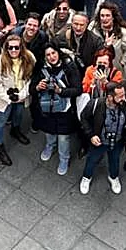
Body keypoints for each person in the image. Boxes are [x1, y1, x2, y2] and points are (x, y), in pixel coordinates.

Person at [30, 44, 78, 175]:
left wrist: (61, 91)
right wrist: (38, 87)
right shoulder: (40, 68)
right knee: (49, 132)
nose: (51, 57)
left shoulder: (69, 67)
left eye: (54, 53)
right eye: (48, 55)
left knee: (63, 137)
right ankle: (50, 146)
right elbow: (31, 88)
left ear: (59, 53)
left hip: (64, 110)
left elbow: (77, 89)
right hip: (46, 108)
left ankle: (64, 158)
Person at [77, 80, 126, 194]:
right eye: (120, 96)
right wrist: (91, 135)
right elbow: (84, 118)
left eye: (124, 95)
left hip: (117, 141)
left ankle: (113, 177)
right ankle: (86, 177)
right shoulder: (95, 104)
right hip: (99, 141)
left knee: (115, 160)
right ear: (110, 97)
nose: (123, 98)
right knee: (92, 160)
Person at [0, 32, 35, 166]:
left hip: (21, 96)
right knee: (1, 120)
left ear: (21, 47)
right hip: (5, 98)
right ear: (6, 48)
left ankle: (15, 130)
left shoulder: (29, 58)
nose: (14, 50)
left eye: (17, 47)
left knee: (19, 114)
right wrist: (8, 98)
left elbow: (31, 78)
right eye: (10, 48)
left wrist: (21, 95)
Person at [91, 3, 126, 71]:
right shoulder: (93, 27)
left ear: (113, 17)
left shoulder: (124, 32)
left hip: (116, 69)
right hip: (96, 67)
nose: (104, 19)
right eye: (102, 16)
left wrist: (122, 62)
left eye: (107, 16)